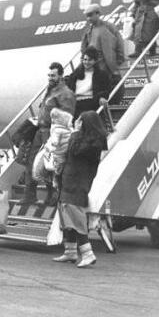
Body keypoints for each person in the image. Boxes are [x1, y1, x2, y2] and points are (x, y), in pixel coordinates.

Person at [54, 111, 108, 268]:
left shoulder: (93, 143)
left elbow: (75, 151)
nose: (76, 122)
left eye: (79, 120)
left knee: (75, 216)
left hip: (77, 183)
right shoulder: (87, 140)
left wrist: (76, 133)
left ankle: (88, 253)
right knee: (67, 216)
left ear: (86, 123)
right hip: (70, 181)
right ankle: (70, 251)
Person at [20, 62, 75, 205]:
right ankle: (29, 194)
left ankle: (53, 195)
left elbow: (66, 117)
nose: (50, 78)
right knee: (31, 162)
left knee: (50, 164)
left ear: (61, 76)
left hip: (52, 132)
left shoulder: (65, 94)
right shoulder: (50, 91)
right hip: (40, 131)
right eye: (49, 75)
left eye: (53, 75)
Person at [66, 47, 111, 120]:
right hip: (76, 104)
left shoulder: (102, 75)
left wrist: (102, 97)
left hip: (92, 104)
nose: (86, 62)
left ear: (95, 61)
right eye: (85, 59)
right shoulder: (75, 74)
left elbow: (106, 90)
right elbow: (68, 89)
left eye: (90, 60)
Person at [80, 3, 125, 77]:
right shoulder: (88, 31)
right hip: (93, 66)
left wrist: (119, 60)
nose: (88, 18)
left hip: (107, 66)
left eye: (90, 15)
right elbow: (83, 49)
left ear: (98, 14)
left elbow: (120, 43)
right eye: (87, 16)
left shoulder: (109, 27)